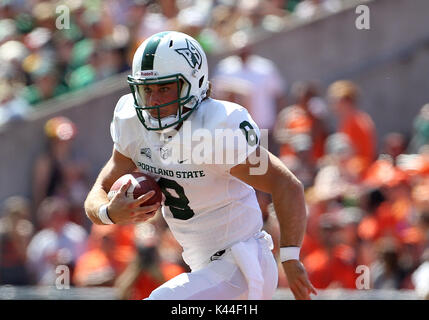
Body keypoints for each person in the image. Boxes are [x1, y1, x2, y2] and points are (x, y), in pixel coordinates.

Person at [84, 31, 316, 300]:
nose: (154, 101)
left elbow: (286, 184)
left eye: (164, 88)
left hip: (244, 265)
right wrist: (108, 213)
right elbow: (99, 189)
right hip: (205, 269)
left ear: (194, 83)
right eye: (147, 89)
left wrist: (289, 257)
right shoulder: (133, 124)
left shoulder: (217, 129)